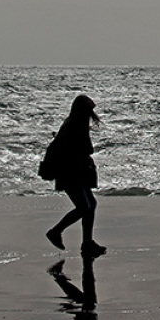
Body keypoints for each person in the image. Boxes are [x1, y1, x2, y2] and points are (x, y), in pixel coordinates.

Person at [45, 95, 106, 258]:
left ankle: (87, 243)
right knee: (85, 207)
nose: (91, 114)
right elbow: (87, 149)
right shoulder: (74, 125)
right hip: (70, 174)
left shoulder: (73, 123)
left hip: (74, 173)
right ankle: (56, 231)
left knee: (90, 204)